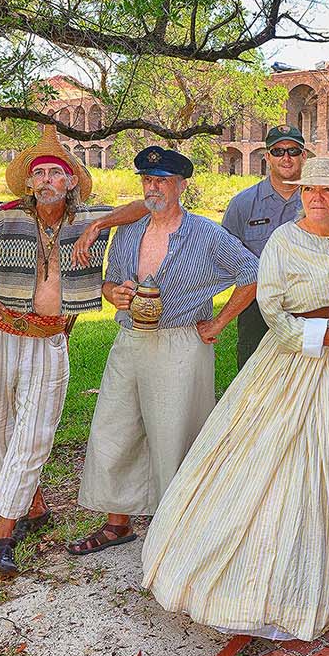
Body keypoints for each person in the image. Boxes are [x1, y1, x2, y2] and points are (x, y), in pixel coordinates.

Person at [142, 157, 329, 638]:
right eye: (308, 191)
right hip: (298, 361)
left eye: (326, 191)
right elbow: (272, 308)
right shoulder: (284, 241)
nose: (316, 198)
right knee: (288, 463)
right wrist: (322, 337)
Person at [0, 127, 130, 575]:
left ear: (71, 182)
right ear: (29, 183)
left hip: (49, 339)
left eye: (56, 173)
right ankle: (35, 506)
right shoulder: (6, 216)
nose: (46, 179)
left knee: (34, 434)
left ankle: (1, 537)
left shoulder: (88, 219)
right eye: (39, 173)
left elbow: (145, 207)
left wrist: (101, 224)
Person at [67, 147, 259, 556]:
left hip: (181, 344)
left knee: (173, 434)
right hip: (130, 339)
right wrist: (112, 293)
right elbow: (110, 281)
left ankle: (174, 526)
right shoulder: (130, 232)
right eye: (147, 181)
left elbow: (252, 273)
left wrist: (220, 322)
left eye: (162, 181)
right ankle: (117, 523)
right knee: (113, 428)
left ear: (181, 186)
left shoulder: (206, 234)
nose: (153, 188)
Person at [220, 125, 308, 365]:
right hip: (256, 311)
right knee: (252, 387)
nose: (286, 158)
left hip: (309, 307)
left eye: (293, 150)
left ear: (304, 155)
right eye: (278, 151)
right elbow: (223, 259)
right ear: (267, 156)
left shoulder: (318, 201)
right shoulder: (242, 204)